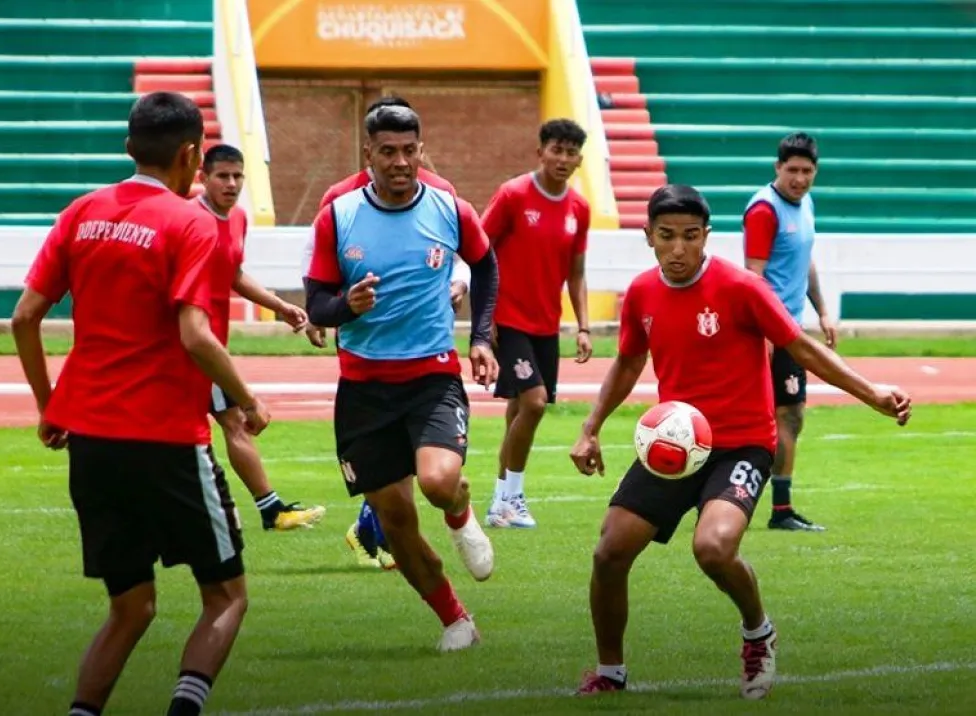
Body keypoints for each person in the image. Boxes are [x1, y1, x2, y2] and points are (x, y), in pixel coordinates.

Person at [569, 185, 911, 700]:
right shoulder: (641, 293)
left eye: (690, 236)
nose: (679, 248)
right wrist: (590, 427)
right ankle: (610, 673)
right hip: (675, 444)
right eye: (667, 237)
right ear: (648, 238)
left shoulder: (741, 287)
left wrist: (871, 392)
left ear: (707, 237)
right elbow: (629, 360)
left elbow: (800, 346)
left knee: (712, 548)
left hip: (743, 445)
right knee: (609, 553)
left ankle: (758, 632)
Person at [11, 91, 271, 716]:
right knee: (226, 597)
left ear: (129, 148)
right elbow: (195, 333)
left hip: (92, 441)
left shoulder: (81, 213)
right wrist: (247, 397)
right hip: (167, 438)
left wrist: (50, 405)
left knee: (131, 607)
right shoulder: (191, 222)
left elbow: (24, 318)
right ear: (191, 155)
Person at [305, 104, 500, 651]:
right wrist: (348, 305)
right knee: (394, 519)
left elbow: (485, 265)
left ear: (421, 149)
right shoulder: (337, 215)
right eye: (387, 152)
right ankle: (455, 620)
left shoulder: (449, 207)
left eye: (409, 151)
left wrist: (481, 339)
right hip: (363, 389)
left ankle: (461, 515)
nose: (400, 162)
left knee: (438, 482)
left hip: (432, 378)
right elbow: (317, 303)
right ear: (368, 154)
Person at [192, 143, 326, 531]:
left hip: (211, 343)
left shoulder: (237, 219)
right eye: (222, 176)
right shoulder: (189, 221)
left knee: (228, 422)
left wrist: (280, 306)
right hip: (192, 346)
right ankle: (262, 510)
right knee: (232, 421)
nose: (231, 184)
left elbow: (233, 274)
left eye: (237, 176)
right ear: (202, 177)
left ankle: (268, 509)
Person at [481, 118, 593, 529]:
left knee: (518, 412)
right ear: (540, 152)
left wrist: (583, 326)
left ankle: (499, 505)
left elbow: (576, 272)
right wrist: (484, 315)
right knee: (534, 401)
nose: (563, 159)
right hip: (509, 320)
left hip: (547, 325)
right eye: (556, 150)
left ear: (580, 159)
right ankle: (513, 496)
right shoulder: (513, 195)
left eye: (570, 152)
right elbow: (480, 251)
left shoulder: (579, 208)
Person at [743, 132, 836, 532]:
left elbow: (805, 262)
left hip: (791, 328)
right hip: (772, 330)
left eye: (807, 171)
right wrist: (764, 333)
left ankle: (778, 508)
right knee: (779, 415)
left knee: (790, 415)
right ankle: (771, 508)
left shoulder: (805, 203)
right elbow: (754, 277)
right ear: (777, 167)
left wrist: (824, 311)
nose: (799, 178)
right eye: (792, 170)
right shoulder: (765, 210)